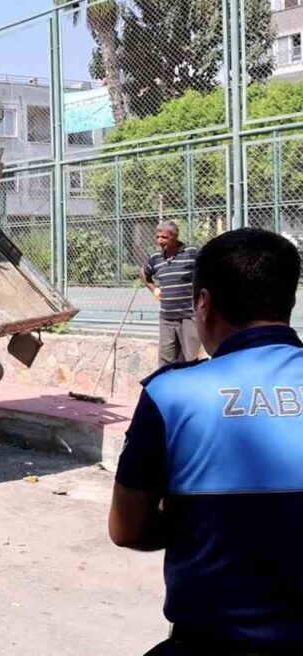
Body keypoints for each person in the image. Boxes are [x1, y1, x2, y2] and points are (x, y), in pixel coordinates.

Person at [110, 228, 303, 655]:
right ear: (288, 301)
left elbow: (125, 529)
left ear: (203, 304)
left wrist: (202, 523)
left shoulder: (170, 394)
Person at [141, 221, 201, 367]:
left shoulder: (192, 252)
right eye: (158, 237)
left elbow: (209, 268)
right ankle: (165, 387)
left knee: (190, 359)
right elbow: (143, 273)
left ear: (175, 237)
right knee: (165, 360)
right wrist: (154, 289)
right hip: (167, 318)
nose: (160, 241)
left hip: (189, 316)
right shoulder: (156, 258)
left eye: (164, 237)